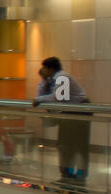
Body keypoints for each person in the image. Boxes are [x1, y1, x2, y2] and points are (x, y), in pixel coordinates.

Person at [33, 57, 91, 185]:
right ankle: (67, 174)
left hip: (80, 112)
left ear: (51, 68)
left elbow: (58, 97)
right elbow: (42, 94)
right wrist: (44, 81)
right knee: (65, 144)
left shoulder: (63, 77)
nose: (42, 70)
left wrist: (39, 99)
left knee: (79, 145)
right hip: (69, 113)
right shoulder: (53, 80)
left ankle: (79, 176)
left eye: (44, 68)